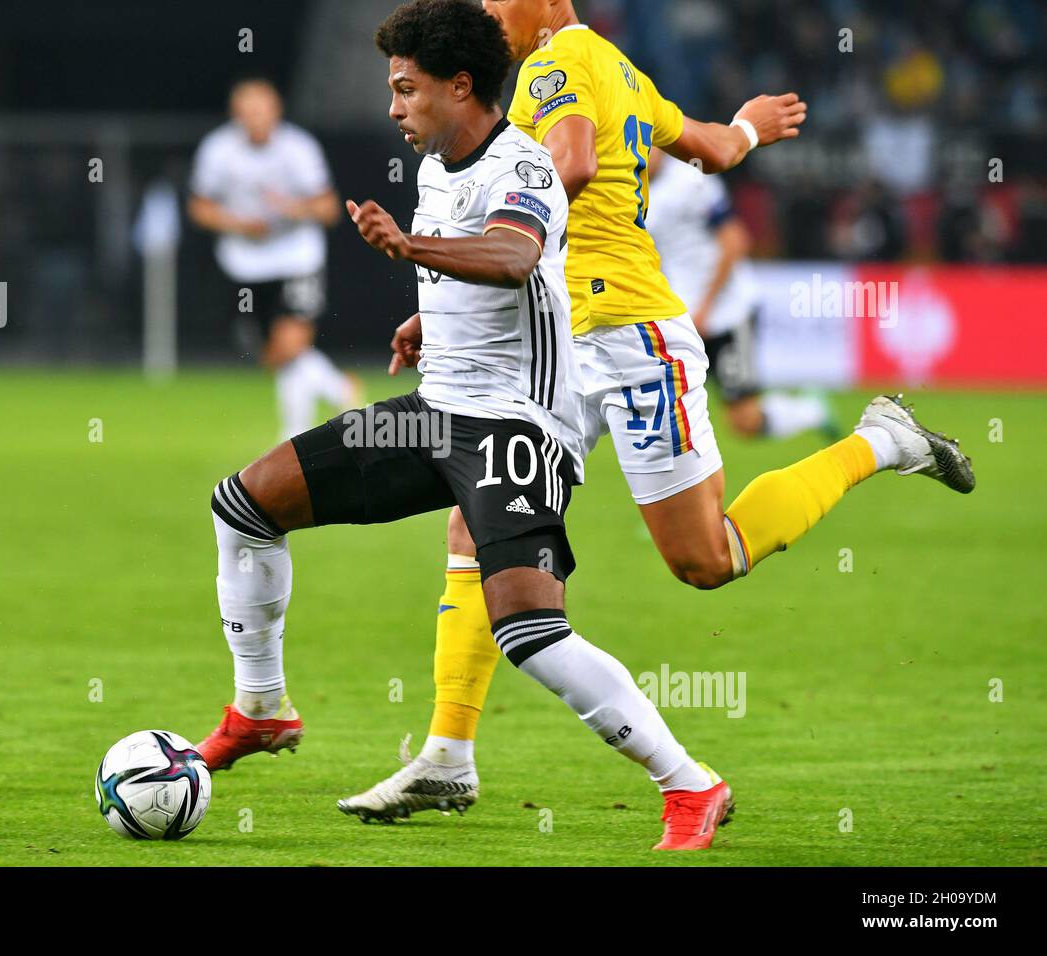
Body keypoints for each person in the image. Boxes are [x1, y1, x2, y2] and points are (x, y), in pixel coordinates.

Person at [340, 0, 973, 831]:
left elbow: (566, 167)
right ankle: (447, 756)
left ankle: (878, 442)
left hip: (629, 342)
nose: (487, 11)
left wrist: (480, 240)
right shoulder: (621, 69)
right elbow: (709, 147)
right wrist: (745, 129)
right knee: (475, 521)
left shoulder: (558, 63)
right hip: (557, 346)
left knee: (705, 560)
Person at [195, 0, 735, 852]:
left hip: (513, 431)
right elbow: (486, 275)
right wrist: (428, 319)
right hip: (433, 417)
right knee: (243, 506)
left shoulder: (525, 164)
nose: (393, 108)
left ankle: (690, 784)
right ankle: (262, 707)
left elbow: (515, 254)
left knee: (530, 633)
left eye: (406, 90)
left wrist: (409, 250)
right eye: (391, 90)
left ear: (459, 85)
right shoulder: (435, 166)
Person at [188, 77, 358, 438]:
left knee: (290, 346)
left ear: (276, 111)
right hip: (243, 264)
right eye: (248, 111)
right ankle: (340, 388)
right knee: (272, 357)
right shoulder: (218, 150)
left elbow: (329, 209)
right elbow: (199, 207)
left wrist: (293, 210)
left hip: (296, 258)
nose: (256, 119)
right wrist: (237, 224)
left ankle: (294, 436)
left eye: (262, 110)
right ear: (235, 114)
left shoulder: (299, 148)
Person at [646, 150, 838, 441]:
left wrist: (705, 306)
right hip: (682, 316)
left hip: (727, 313)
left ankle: (811, 410)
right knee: (662, 403)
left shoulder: (691, 180)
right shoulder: (632, 190)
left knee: (745, 421)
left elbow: (734, 241)